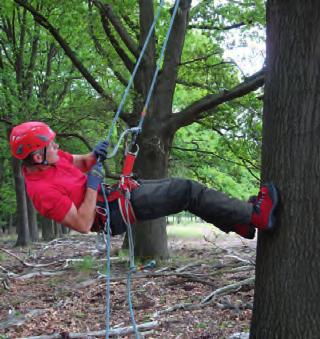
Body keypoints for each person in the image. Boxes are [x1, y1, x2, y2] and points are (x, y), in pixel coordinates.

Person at [9, 121, 279, 240]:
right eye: (50, 144)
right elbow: (81, 223)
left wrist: (94, 155)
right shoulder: (41, 191)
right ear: (36, 156)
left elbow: (78, 162)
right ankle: (255, 216)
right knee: (186, 191)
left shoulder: (53, 160)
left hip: (112, 196)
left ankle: (240, 223)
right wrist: (91, 186)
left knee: (182, 190)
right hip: (111, 212)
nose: (56, 145)